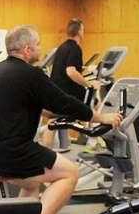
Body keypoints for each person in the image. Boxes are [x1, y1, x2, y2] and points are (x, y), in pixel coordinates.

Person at [0, 25, 122, 214]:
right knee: (70, 173)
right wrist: (101, 118)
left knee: (31, 183)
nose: (40, 49)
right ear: (27, 49)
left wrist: (43, 111)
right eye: (38, 44)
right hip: (9, 152)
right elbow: (64, 102)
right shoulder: (30, 74)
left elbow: (12, 102)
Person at [39, 18, 100, 150]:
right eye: (83, 30)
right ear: (79, 31)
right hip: (67, 93)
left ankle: (45, 153)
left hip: (56, 92)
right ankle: (93, 143)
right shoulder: (75, 48)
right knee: (95, 102)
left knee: (52, 122)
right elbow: (71, 71)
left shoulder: (62, 47)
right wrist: (89, 84)